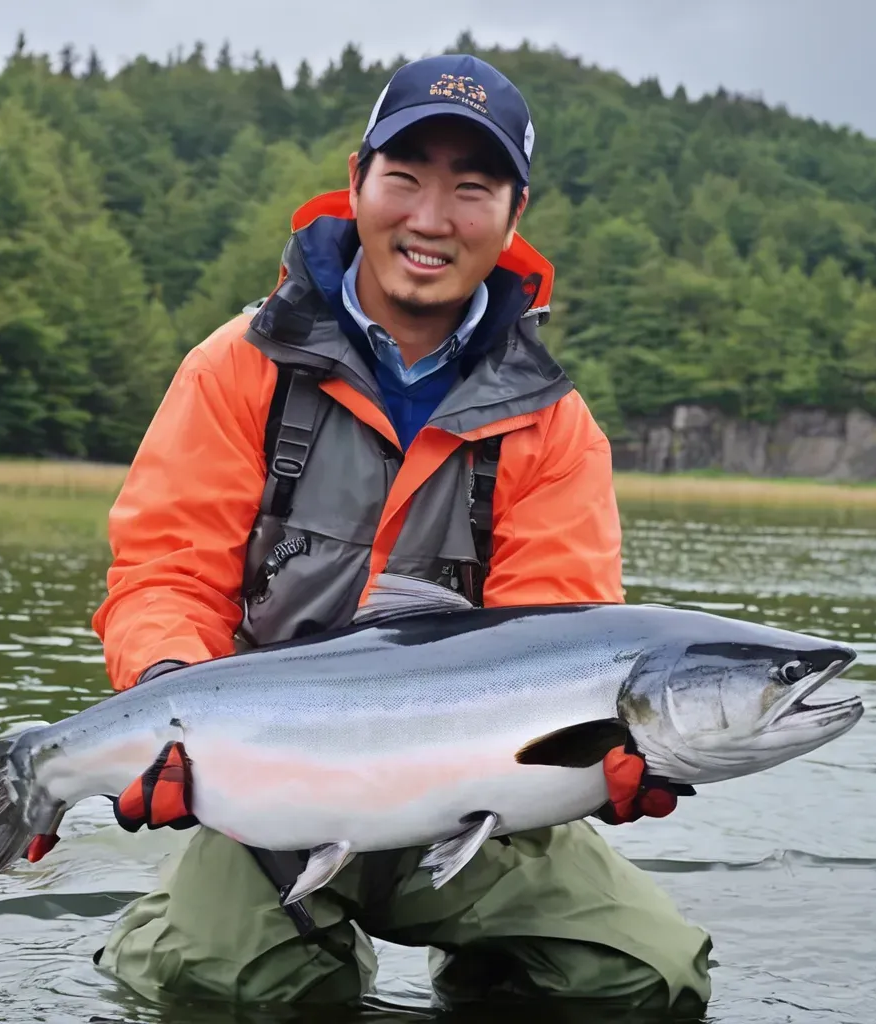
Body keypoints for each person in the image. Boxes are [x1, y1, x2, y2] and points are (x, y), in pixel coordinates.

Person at [52, 53, 713, 1013]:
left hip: (488, 810)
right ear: (356, 180)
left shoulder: (555, 429)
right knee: (222, 986)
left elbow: (561, 645)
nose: (431, 219)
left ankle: (487, 965)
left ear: (514, 215)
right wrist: (166, 698)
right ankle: (192, 931)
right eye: (404, 178)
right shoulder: (238, 369)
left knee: (643, 980)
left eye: (472, 189)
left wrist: (600, 766)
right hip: (273, 794)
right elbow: (164, 575)